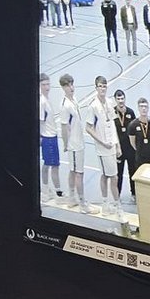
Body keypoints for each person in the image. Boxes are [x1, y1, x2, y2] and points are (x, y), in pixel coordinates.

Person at [57, 74, 94, 214]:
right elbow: (64, 127)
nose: (71, 88)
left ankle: (72, 198)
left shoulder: (74, 99)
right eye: (68, 86)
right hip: (74, 145)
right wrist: (66, 144)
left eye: (72, 84)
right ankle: (82, 203)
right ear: (63, 88)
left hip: (79, 142)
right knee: (79, 173)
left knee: (73, 171)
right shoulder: (65, 106)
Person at [85, 76, 120, 217]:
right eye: (100, 86)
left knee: (108, 175)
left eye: (104, 86)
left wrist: (117, 145)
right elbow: (88, 128)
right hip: (103, 148)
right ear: (96, 88)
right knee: (112, 177)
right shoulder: (93, 106)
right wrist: (102, 142)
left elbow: (112, 124)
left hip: (112, 145)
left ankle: (108, 205)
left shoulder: (110, 102)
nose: (102, 89)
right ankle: (111, 205)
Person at [39, 73, 62, 205]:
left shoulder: (47, 99)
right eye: (44, 85)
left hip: (52, 135)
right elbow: (40, 121)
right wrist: (40, 137)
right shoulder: (41, 102)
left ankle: (48, 189)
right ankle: (49, 192)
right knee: (51, 165)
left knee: (51, 164)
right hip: (47, 137)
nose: (47, 87)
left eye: (48, 84)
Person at [113, 89, 138, 202]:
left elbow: (135, 130)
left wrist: (136, 147)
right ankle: (117, 195)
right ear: (115, 100)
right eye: (118, 99)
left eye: (122, 98)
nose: (120, 101)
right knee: (118, 173)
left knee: (132, 171)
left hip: (130, 148)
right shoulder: (112, 112)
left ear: (125, 99)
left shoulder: (130, 112)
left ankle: (134, 193)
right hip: (119, 149)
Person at [128, 98, 150, 168]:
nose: (143, 109)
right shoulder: (133, 125)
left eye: (145, 106)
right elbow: (132, 142)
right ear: (138, 108)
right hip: (141, 158)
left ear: (148, 108)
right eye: (141, 106)